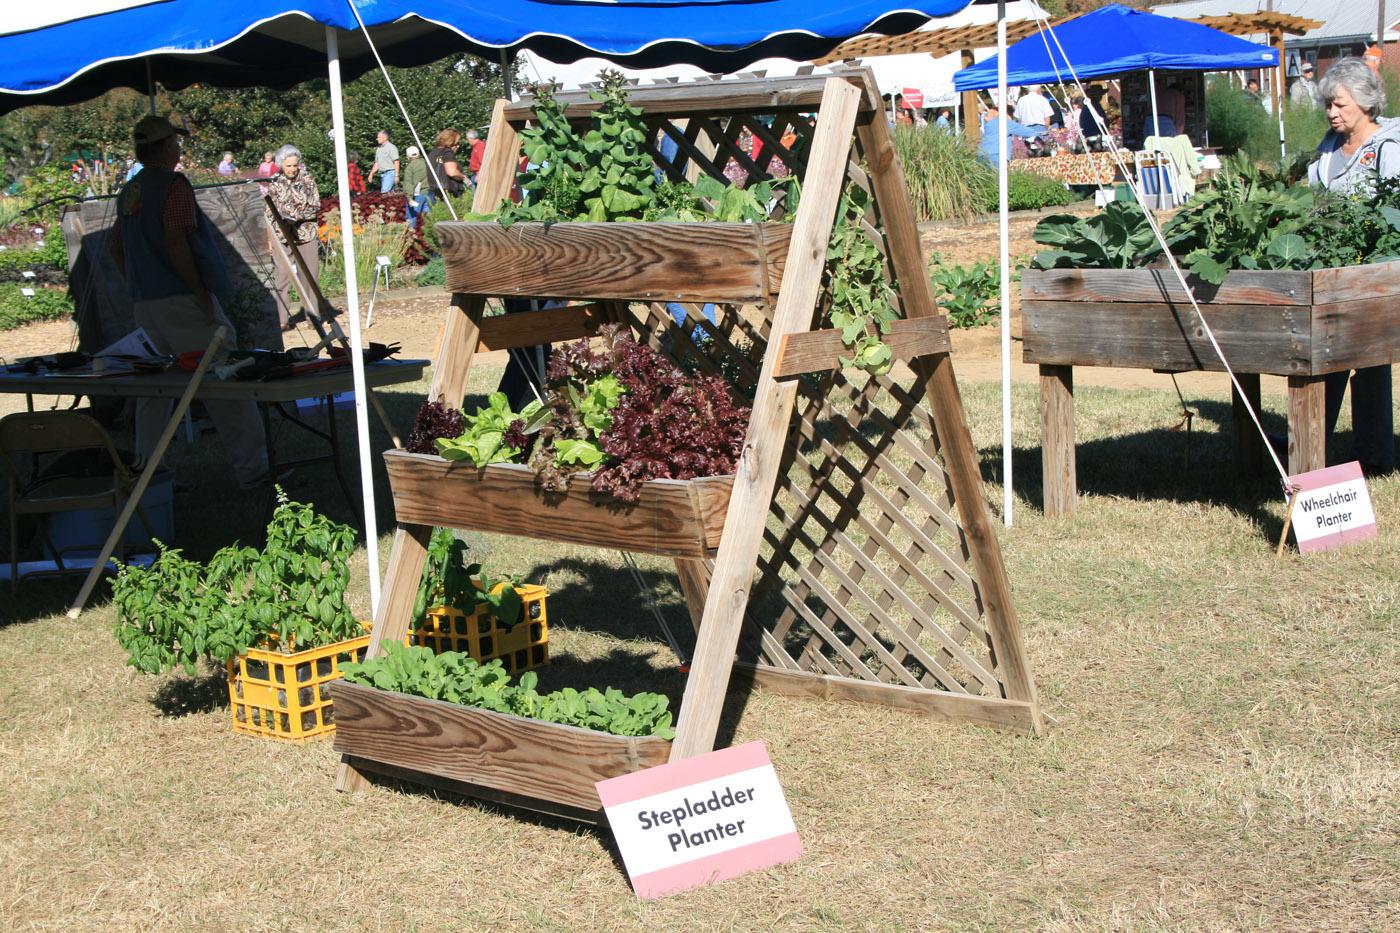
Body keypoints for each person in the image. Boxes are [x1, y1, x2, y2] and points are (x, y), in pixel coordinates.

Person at [108, 115, 269, 489]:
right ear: (165, 147)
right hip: (181, 298)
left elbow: (116, 247)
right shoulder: (172, 186)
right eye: (175, 143)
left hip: (146, 301)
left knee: (155, 389)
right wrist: (200, 294)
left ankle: (147, 471)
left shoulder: (129, 191)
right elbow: (176, 241)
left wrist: (136, 284)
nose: (179, 148)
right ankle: (254, 471)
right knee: (225, 377)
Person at [1307, 58, 1400, 475]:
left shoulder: (1388, 148)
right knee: (1324, 356)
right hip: (1329, 270)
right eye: (1328, 104)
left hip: (1372, 272)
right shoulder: (1327, 146)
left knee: (1370, 360)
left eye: (1340, 105)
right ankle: (1314, 446)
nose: (1332, 112)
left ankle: (1376, 455)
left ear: (1365, 103)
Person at [264, 144, 322, 331]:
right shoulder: (274, 184)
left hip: (306, 232)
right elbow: (268, 213)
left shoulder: (308, 181)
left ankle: (313, 316)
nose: (292, 169)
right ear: (281, 165)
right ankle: (282, 319)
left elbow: (315, 206)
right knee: (282, 276)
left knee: (310, 275)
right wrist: (269, 238)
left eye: (295, 165)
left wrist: (298, 215)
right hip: (282, 235)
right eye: (288, 165)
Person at [977, 102, 1047, 165]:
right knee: (998, 178)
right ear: (1008, 114)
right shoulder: (1007, 123)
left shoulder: (990, 123)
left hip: (981, 154)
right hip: (997, 155)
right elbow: (1031, 132)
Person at [427, 129, 467, 203]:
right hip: (451, 193)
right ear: (450, 143)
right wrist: (463, 177)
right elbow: (452, 172)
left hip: (436, 192)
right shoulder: (448, 152)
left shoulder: (432, 153)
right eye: (457, 143)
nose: (458, 146)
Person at [401, 145, 429, 225]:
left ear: (408, 157)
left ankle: (411, 235)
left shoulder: (410, 167)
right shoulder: (426, 162)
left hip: (417, 194)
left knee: (412, 216)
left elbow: (409, 184)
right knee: (428, 217)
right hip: (429, 192)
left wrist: (409, 198)